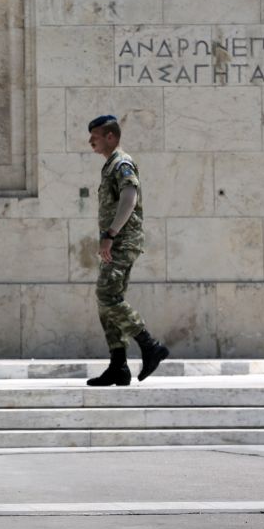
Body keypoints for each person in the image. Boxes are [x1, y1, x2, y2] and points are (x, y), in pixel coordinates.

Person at [85, 114, 169, 386]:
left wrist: (110, 234)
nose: (90, 142)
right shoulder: (110, 165)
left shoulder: (122, 163)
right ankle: (118, 365)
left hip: (122, 240)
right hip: (116, 241)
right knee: (106, 300)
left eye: (95, 137)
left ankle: (150, 345)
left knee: (106, 295)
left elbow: (129, 198)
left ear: (111, 136)